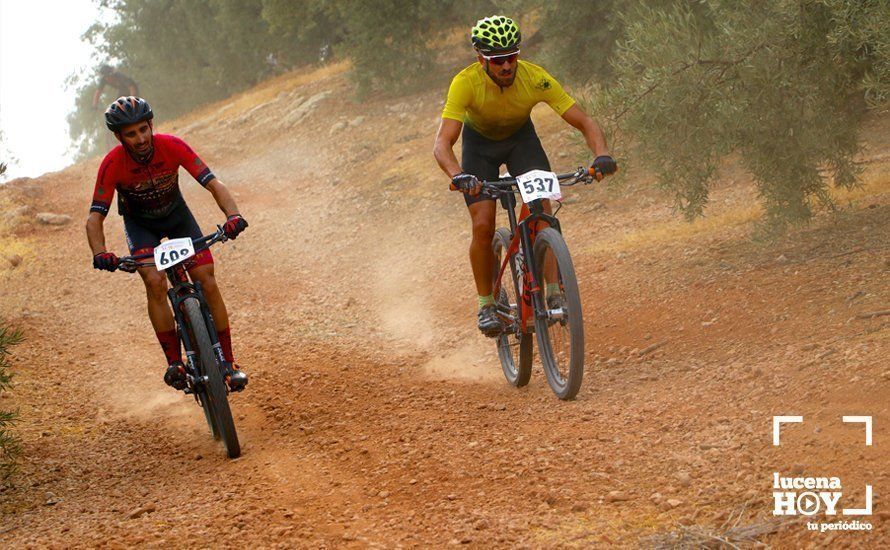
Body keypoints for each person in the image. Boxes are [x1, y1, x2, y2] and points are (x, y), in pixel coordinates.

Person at [433, 15, 618, 336]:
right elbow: (442, 143)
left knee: (541, 209)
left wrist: (601, 154)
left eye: (512, 56)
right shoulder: (465, 83)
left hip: (521, 142)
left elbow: (585, 121)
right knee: (483, 223)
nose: (507, 66)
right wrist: (458, 174)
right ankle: (486, 304)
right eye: (498, 60)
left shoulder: (535, 77)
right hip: (480, 150)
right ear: (481, 60)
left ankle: (552, 291)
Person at [85, 96, 249, 392]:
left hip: (178, 219)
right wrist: (101, 253)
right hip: (141, 226)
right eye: (131, 134)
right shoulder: (112, 164)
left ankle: (228, 362)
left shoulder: (172, 145)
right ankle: (175, 362)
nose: (140, 138)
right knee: (153, 280)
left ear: (151, 125)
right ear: (119, 137)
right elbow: (95, 217)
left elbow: (213, 183)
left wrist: (233, 215)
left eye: (143, 129)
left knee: (206, 278)